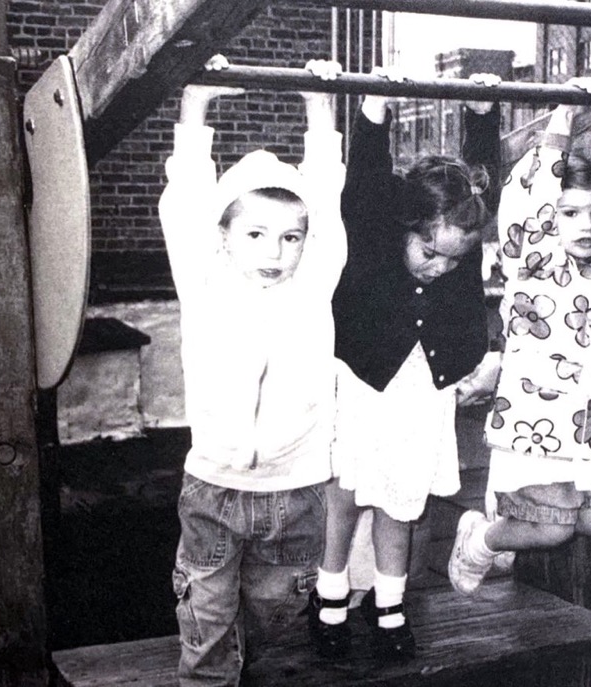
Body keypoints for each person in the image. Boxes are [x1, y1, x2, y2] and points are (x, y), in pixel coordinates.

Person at [158, 56, 347, 685]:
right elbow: (187, 202)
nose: (276, 252)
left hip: (297, 492)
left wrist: (319, 107)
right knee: (207, 623)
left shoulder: (314, 284)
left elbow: (324, 199)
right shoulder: (205, 282)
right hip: (215, 488)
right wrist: (196, 106)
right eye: (257, 235)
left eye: (291, 237)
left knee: (278, 629)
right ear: (223, 237)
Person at [307, 67, 503, 663]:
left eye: (453, 258)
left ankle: (388, 602)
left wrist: (483, 111)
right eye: (429, 251)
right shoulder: (374, 235)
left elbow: (482, 186)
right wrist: (373, 110)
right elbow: (365, 185)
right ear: (405, 228)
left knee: (404, 498)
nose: (439, 267)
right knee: (347, 489)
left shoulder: (457, 248)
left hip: (425, 391)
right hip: (366, 380)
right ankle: (330, 593)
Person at [448, 77, 591, 595]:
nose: (587, 225)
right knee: (553, 526)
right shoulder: (531, 257)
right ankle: (484, 539)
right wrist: (563, 115)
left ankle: (513, 521)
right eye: (570, 213)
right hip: (537, 420)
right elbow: (532, 196)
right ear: (545, 220)